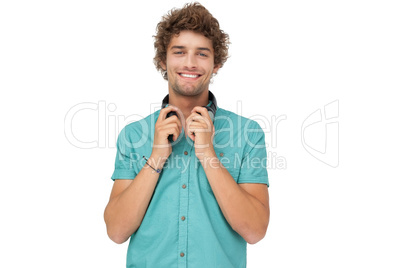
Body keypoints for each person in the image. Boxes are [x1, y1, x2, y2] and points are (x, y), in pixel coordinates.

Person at [104, 3, 270, 267]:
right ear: (163, 60)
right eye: (179, 52)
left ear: (216, 64)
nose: (190, 63)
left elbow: (255, 231)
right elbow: (116, 231)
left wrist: (207, 154)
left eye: (202, 54)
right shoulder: (133, 135)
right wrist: (157, 156)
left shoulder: (248, 134)